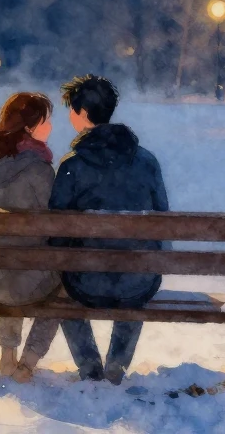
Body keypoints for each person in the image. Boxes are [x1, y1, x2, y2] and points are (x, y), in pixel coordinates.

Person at [50, 74, 169, 383]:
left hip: (85, 283)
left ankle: (89, 364)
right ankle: (117, 363)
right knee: (135, 274)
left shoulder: (72, 165)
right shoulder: (146, 162)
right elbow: (162, 216)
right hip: (138, 282)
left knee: (61, 289)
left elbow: (56, 226)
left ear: (80, 113)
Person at [0, 91, 62, 383]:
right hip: (24, 282)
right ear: (30, 126)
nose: (50, 128)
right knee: (61, 286)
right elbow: (56, 224)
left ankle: (7, 353)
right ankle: (28, 362)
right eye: (46, 121)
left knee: (10, 264)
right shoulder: (39, 169)